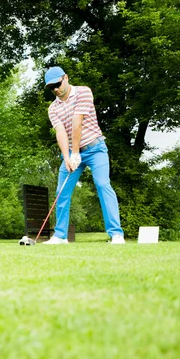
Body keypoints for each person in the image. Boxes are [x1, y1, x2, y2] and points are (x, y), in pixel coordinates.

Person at [43, 66, 125, 244]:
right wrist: (67, 157)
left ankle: (116, 234)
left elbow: (76, 123)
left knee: (102, 184)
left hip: (95, 149)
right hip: (72, 153)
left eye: (57, 84)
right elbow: (61, 132)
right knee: (61, 191)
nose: (56, 89)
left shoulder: (83, 92)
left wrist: (75, 152)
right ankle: (60, 236)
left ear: (66, 77)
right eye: (51, 87)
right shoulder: (53, 108)